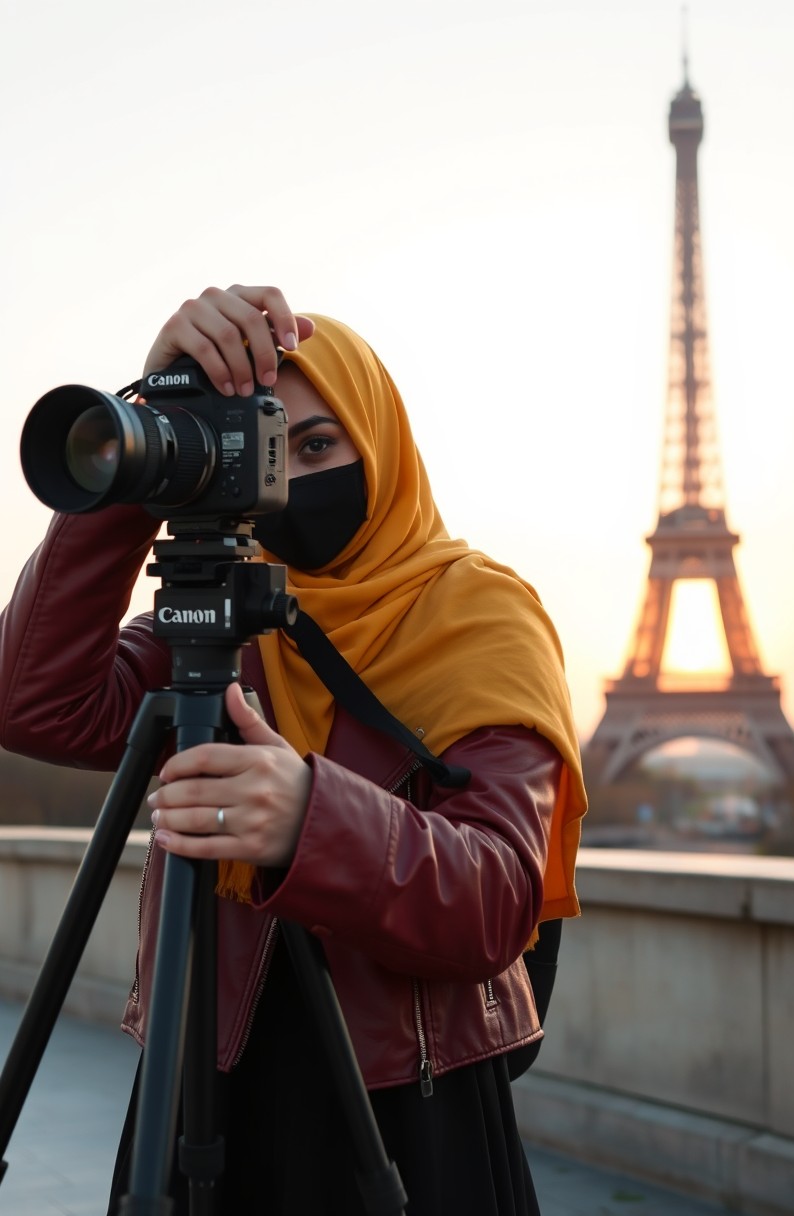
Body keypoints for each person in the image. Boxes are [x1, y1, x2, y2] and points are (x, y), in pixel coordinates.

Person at [0, 285, 587, 1215]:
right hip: (206, 1078)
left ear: (381, 445)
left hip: (404, 1106)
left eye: (316, 444)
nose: (288, 473)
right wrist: (149, 421)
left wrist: (309, 819)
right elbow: (39, 704)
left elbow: (497, 899)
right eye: (264, 447)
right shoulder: (238, 612)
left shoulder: (480, 617)